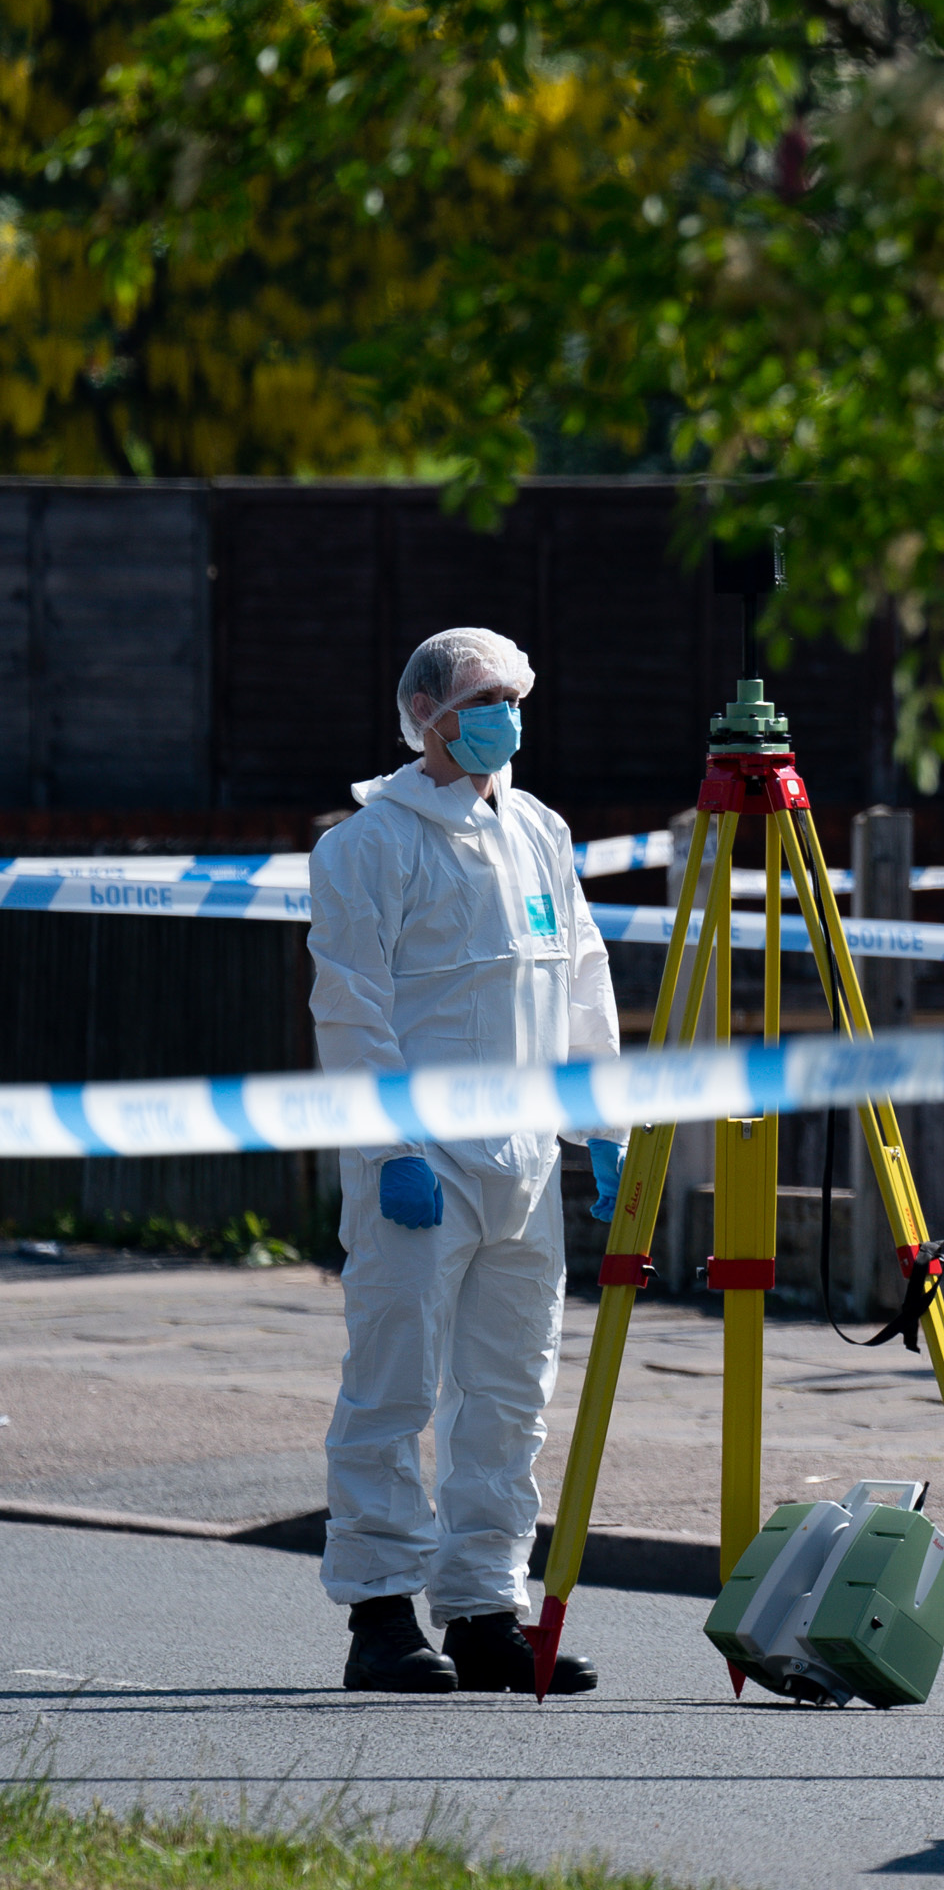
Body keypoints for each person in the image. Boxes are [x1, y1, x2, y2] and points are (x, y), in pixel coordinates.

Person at [309, 627, 627, 1694]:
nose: (508, 714)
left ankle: (487, 1607)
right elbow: (351, 1007)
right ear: (428, 715)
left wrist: (606, 1124)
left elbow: (581, 979)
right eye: (488, 696)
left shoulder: (538, 827)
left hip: (526, 1162)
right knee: (393, 1385)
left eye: (517, 694)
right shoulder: (371, 843)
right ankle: (380, 1612)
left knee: (507, 1393)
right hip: (422, 1165)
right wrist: (389, 1143)